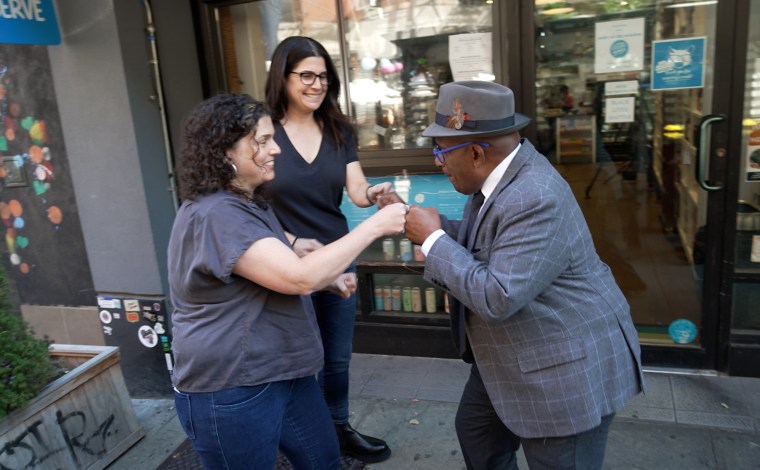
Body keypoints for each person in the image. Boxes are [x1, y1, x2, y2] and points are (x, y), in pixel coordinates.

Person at [384, 81, 644, 469]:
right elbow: (495, 244)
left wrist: (434, 240)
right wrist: (430, 226)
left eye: (440, 150)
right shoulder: (499, 178)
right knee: (476, 432)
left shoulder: (534, 195)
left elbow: (498, 296)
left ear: (474, 153)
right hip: (513, 353)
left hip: (563, 368)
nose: (437, 161)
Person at [167, 93, 407, 469]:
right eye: (261, 141)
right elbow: (296, 278)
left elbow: (267, 273)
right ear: (223, 152)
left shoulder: (247, 202)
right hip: (231, 386)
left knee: (323, 459)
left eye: (271, 138)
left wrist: (326, 282)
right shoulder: (217, 213)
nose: (275, 149)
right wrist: (376, 225)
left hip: (284, 371)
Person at [264, 36, 393, 463]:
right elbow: (247, 205)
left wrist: (375, 194)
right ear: (282, 78)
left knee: (336, 359)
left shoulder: (339, 130)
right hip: (280, 264)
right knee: (298, 362)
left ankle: (338, 430)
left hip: (338, 259)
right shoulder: (263, 132)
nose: (317, 84)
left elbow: (355, 190)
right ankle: (306, 437)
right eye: (306, 76)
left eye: (323, 76)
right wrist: (291, 243)